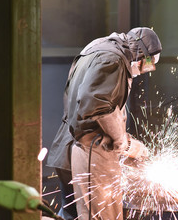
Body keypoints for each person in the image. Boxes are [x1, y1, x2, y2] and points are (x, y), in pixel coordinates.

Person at [47, 27, 162, 220]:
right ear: (140, 53)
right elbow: (98, 107)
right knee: (99, 215)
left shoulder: (97, 48)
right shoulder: (113, 60)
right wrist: (125, 144)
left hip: (69, 146)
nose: (144, 70)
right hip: (91, 150)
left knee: (71, 213)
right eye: (147, 63)